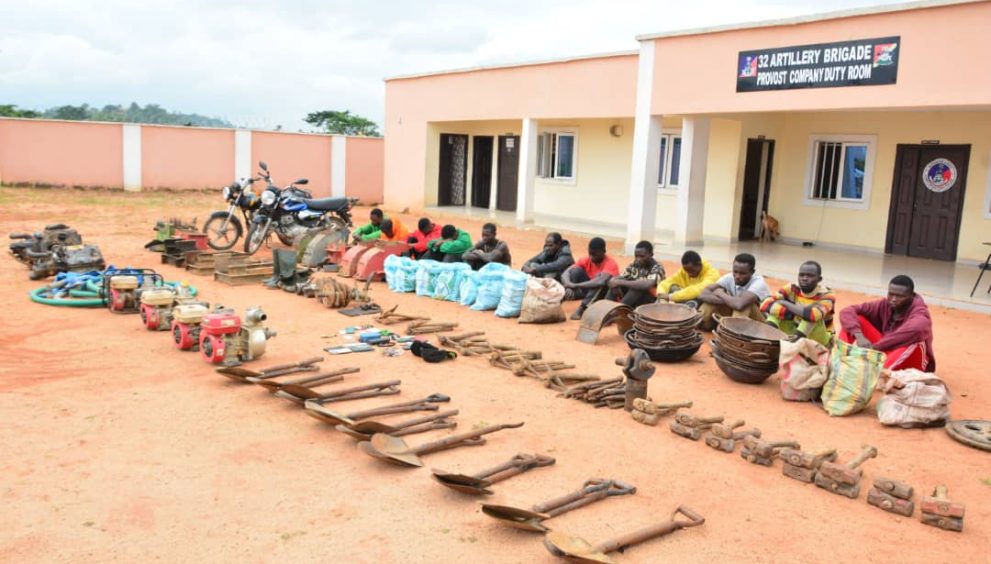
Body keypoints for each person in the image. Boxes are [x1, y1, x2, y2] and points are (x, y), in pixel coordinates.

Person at [838, 275, 935, 372]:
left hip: (911, 359)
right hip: (884, 349)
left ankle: (877, 374)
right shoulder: (884, 304)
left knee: (911, 341)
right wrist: (859, 335)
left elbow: (915, 329)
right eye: (891, 294)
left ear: (911, 296)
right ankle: (838, 359)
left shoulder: (920, 312)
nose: (893, 299)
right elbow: (846, 311)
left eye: (900, 296)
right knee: (857, 319)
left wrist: (874, 348)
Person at [761, 261, 835, 346]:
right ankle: (769, 337)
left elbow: (813, 315)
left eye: (810, 276)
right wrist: (790, 314)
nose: (804, 278)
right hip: (795, 327)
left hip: (819, 338)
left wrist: (784, 303)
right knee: (777, 309)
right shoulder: (792, 287)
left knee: (811, 315)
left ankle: (793, 343)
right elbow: (765, 304)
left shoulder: (827, 295)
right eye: (801, 275)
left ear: (819, 279)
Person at [698, 253, 770, 330]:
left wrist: (721, 293)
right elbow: (703, 294)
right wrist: (728, 301)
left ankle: (732, 334)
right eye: (735, 272)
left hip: (760, 325)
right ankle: (701, 324)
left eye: (742, 273)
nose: (737, 276)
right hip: (738, 318)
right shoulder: (729, 277)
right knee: (709, 302)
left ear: (752, 272)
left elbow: (739, 304)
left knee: (744, 306)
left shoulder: (759, 283)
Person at [562, 237, 620, 320]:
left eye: (595, 254)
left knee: (598, 280)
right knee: (575, 271)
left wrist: (576, 285)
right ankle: (571, 295)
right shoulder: (586, 259)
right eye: (590, 253)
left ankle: (582, 308)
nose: (592, 257)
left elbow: (600, 282)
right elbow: (566, 272)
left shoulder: (611, 263)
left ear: (604, 251)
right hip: (589, 292)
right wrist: (569, 285)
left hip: (605, 294)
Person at [607, 240, 665, 308]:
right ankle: (606, 308)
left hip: (652, 301)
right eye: (636, 256)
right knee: (616, 283)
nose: (638, 259)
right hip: (635, 298)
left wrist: (619, 282)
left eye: (642, 256)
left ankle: (619, 309)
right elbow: (620, 277)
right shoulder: (636, 264)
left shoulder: (657, 267)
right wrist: (614, 282)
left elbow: (647, 284)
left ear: (651, 254)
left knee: (639, 286)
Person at [656, 250, 720, 308]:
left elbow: (698, 290)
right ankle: (687, 306)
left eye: (691, 271)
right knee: (672, 287)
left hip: (703, 300)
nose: (689, 274)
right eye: (686, 271)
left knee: (705, 304)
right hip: (686, 298)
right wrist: (661, 296)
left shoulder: (713, 274)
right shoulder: (685, 270)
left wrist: (671, 297)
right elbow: (666, 283)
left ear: (699, 265)